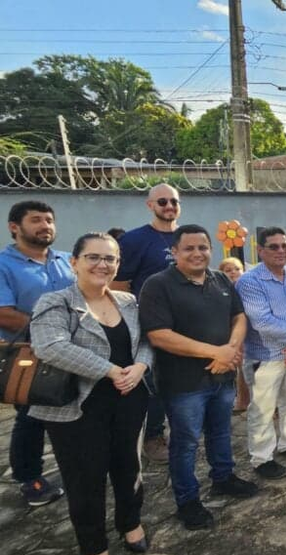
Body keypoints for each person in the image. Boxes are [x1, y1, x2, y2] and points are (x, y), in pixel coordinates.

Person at [29, 233, 152, 555]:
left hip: (128, 400)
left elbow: (144, 341)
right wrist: (112, 371)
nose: (103, 264)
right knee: (86, 480)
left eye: (110, 259)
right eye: (93, 257)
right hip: (78, 408)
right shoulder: (56, 302)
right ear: (74, 262)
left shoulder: (127, 301)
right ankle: (94, 547)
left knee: (130, 468)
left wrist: (140, 366)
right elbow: (50, 346)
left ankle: (130, 523)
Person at [139, 224, 258, 530]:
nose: (197, 253)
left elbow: (238, 316)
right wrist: (215, 353)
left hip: (222, 378)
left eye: (203, 247)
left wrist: (230, 350)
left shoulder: (220, 279)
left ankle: (223, 477)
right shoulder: (158, 285)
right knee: (186, 442)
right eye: (189, 248)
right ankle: (187, 500)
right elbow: (160, 335)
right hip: (183, 384)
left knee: (221, 433)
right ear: (175, 252)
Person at [0, 201, 73, 506]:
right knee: (32, 417)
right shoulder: (4, 264)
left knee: (72, 411)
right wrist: (51, 327)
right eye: (36, 220)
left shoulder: (67, 259)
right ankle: (30, 480)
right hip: (31, 355)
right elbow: (3, 313)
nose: (45, 225)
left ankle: (76, 468)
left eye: (49, 219)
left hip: (73, 349)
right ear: (15, 227)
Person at [236, 227, 286, 480]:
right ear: (260, 250)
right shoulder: (250, 281)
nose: (281, 251)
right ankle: (262, 458)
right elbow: (262, 322)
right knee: (262, 408)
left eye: (285, 246)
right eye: (273, 246)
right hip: (266, 356)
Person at [113, 183, 182, 464]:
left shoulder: (186, 237)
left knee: (180, 383)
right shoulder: (134, 240)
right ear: (150, 205)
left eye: (174, 202)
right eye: (162, 201)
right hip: (150, 326)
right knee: (153, 384)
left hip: (185, 325)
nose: (169, 206)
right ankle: (153, 436)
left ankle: (180, 431)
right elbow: (119, 286)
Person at [218, 257, 250, 413]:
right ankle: (240, 400)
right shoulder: (219, 288)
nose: (233, 272)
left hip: (248, 333)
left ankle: (244, 400)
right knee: (236, 367)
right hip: (228, 332)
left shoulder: (247, 287)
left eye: (237, 269)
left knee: (245, 367)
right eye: (228, 270)